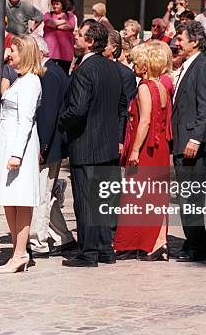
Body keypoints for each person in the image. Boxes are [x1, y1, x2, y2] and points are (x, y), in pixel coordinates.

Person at [59, 20, 127, 267]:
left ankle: (88, 253)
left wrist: (61, 122)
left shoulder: (85, 70)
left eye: (80, 34)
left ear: (90, 41)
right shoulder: (112, 68)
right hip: (107, 145)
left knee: (87, 201)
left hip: (86, 145)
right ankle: (104, 250)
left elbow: (77, 109)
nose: (75, 37)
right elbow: (122, 107)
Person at [113, 41, 172, 261]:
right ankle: (152, 242)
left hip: (148, 148)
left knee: (141, 195)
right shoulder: (161, 85)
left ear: (145, 64)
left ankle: (155, 243)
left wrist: (135, 150)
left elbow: (144, 121)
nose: (133, 64)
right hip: (159, 147)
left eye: (136, 61)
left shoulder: (145, 87)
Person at [0, 35, 44, 274]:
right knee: (9, 200)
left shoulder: (31, 82)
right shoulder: (20, 81)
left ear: (27, 54)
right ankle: (16, 250)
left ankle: (21, 253)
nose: (8, 54)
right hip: (8, 145)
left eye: (13, 50)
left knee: (20, 199)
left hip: (18, 147)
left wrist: (16, 154)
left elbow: (26, 121)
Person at [171, 20, 206, 262]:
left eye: (180, 39)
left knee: (191, 197)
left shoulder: (203, 66)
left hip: (192, 142)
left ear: (194, 41)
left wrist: (195, 139)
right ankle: (193, 243)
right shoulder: (188, 65)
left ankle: (197, 247)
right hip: (182, 139)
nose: (176, 42)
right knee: (186, 196)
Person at [28, 35, 76, 258]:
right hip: (51, 144)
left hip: (48, 145)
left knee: (41, 194)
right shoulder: (51, 72)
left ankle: (39, 241)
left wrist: (42, 148)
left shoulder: (49, 75)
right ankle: (64, 237)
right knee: (47, 193)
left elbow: (48, 116)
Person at [43, 0, 76, 74]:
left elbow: (71, 26)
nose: (54, 6)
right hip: (50, 51)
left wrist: (55, 26)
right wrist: (64, 21)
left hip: (65, 52)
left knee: (64, 73)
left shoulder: (70, 15)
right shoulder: (48, 14)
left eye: (57, 4)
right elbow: (50, 23)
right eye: (53, 4)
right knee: (48, 73)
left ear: (62, 5)